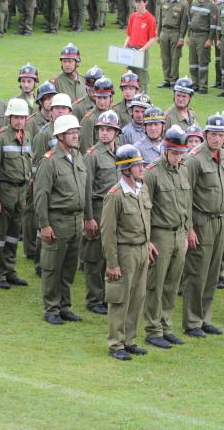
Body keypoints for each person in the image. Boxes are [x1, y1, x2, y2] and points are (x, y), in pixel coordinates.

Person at [34, 115, 87, 325]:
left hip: (76, 221)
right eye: (71, 132)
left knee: (69, 267)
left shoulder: (78, 156)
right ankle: (51, 308)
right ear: (60, 136)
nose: (75, 135)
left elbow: (85, 188)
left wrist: (87, 218)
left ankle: (65, 306)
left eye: (77, 131)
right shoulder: (49, 161)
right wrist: (44, 225)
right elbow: (41, 196)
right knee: (52, 267)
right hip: (57, 221)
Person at [101, 144, 152, 361]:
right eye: (136, 165)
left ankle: (129, 340)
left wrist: (148, 244)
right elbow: (108, 233)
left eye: (141, 164)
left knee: (138, 297)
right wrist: (112, 264)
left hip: (141, 250)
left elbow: (145, 221)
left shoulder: (143, 189)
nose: (141, 168)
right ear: (125, 169)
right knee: (120, 298)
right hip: (124, 252)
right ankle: (116, 344)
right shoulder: (115, 196)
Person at [182, 114, 224, 338]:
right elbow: (186, 195)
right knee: (197, 273)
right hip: (201, 221)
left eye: (221, 135)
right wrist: (189, 228)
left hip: (220, 220)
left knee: (212, 272)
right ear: (205, 135)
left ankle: (205, 318)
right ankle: (192, 321)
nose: (217, 139)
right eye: (213, 134)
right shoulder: (194, 159)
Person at [143, 126, 191, 349]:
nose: (178, 157)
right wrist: (147, 239)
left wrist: (187, 231)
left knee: (172, 283)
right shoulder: (151, 173)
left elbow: (186, 204)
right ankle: (153, 329)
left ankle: (166, 326)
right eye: (174, 152)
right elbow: (144, 209)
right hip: (160, 234)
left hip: (179, 234)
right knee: (156, 283)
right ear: (165, 150)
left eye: (181, 153)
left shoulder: (183, 171)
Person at [82, 111, 122, 314]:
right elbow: (86, 190)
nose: (104, 133)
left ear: (116, 132)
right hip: (98, 208)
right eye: (102, 129)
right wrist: (88, 218)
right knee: (94, 256)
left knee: (111, 254)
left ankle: (108, 296)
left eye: (109, 130)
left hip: (116, 211)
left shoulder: (121, 153)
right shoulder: (92, 155)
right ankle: (94, 299)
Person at [0, 98, 32, 290]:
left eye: (23, 118)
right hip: (4, 192)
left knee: (14, 234)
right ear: (9, 118)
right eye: (16, 117)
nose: (20, 121)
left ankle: (10, 269)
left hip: (21, 192)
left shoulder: (28, 136)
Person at [157, 0, 190, 88]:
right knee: (164, 58)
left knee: (174, 58)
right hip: (164, 32)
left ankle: (173, 80)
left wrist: (181, 37)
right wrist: (158, 34)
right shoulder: (164, 1)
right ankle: (166, 79)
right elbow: (160, 20)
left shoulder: (184, 3)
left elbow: (184, 23)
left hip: (175, 33)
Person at [188, 0, 218, 93]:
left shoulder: (211, 5)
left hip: (203, 36)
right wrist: (189, 36)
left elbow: (213, 25)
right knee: (193, 62)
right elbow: (190, 21)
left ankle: (203, 86)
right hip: (194, 35)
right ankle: (195, 84)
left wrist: (210, 39)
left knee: (203, 63)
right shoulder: (195, 3)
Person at [124, 0, 157, 92]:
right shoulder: (133, 16)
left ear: (145, 2)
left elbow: (152, 39)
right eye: (136, 2)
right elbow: (129, 35)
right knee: (129, 77)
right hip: (130, 49)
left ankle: (143, 99)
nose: (137, 4)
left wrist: (141, 50)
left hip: (141, 50)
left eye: (140, 2)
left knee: (141, 78)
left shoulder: (150, 18)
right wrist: (124, 47)